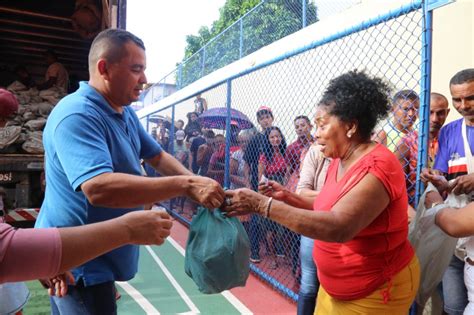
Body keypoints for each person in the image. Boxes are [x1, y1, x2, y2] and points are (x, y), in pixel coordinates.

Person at [34, 29, 225, 314]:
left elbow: (157, 155)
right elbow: (98, 188)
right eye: (136, 69)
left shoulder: (123, 111)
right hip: (80, 264)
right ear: (104, 69)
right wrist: (186, 184)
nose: (145, 79)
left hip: (101, 257)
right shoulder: (78, 114)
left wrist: (197, 183)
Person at [224, 70, 419, 314]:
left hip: (374, 291)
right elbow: (329, 204)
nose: (314, 134)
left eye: (321, 125)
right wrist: (288, 197)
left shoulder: (379, 165)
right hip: (335, 287)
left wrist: (262, 205)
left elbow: (339, 226)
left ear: (350, 126)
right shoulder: (340, 158)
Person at [421, 68, 474, 315]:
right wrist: (436, 181)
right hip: (452, 228)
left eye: (470, 98)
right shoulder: (450, 131)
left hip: (469, 226)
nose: (464, 105)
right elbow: (442, 174)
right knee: (453, 305)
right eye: (457, 100)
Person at [395, 92, 450, 206]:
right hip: (416, 208)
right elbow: (397, 188)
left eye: (440, 113)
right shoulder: (406, 144)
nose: (434, 119)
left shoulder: (452, 139)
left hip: (449, 207)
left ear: (447, 113)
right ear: (419, 113)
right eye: (429, 113)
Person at [243, 105, 274, 263]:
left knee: (273, 214)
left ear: (272, 118)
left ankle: (274, 249)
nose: (265, 120)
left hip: (274, 183)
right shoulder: (256, 139)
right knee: (255, 216)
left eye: (267, 117)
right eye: (262, 118)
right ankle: (254, 250)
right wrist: (248, 182)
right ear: (259, 122)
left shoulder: (277, 135)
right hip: (257, 182)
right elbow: (247, 162)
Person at [285, 115, 314, 191]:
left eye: (303, 125)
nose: (300, 129)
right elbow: (289, 170)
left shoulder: (317, 144)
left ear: (310, 127)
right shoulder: (291, 148)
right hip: (298, 180)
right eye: (297, 127)